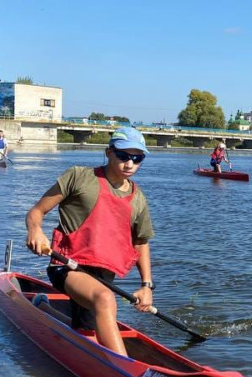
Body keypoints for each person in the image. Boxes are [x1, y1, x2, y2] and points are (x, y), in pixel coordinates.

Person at [24, 126, 155, 357]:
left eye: (137, 158)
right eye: (123, 156)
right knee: (105, 299)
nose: (130, 163)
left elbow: (141, 242)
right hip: (66, 265)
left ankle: (45, 309)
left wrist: (146, 286)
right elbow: (36, 212)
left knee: (87, 331)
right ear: (108, 152)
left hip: (103, 275)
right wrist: (35, 231)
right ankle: (123, 369)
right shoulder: (79, 177)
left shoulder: (139, 198)